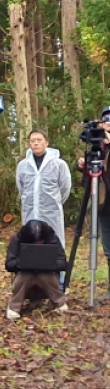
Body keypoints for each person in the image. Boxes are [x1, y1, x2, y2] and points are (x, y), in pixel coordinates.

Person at [16, 129, 71, 249]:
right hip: (30, 212)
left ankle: (57, 267)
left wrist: (54, 201)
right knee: (30, 242)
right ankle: (32, 267)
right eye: (32, 141)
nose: (36, 143)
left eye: (39, 140)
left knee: (53, 242)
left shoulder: (59, 164)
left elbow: (65, 187)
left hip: (51, 213)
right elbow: (21, 188)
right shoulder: (23, 165)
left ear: (46, 143)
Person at [76, 108, 110, 300]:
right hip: (105, 205)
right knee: (108, 247)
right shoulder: (99, 147)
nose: (107, 123)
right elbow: (90, 180)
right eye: (105, 119)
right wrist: (85, 165)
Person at [4, 218, 69, 319]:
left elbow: (63, 263)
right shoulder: (18, 238)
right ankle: (14, 307)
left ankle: (60, 303)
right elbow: (9, 264)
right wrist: (24, 262)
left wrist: (48, 263)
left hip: (47, 278)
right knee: (25, 276)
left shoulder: (52, 238)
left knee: (44, 276)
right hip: (25, 277)